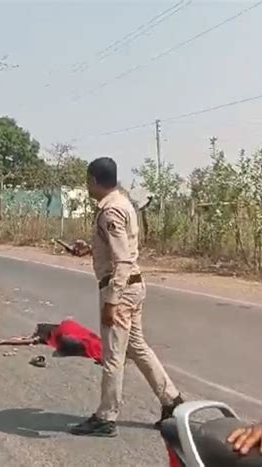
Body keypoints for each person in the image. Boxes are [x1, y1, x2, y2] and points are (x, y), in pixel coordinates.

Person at [71, 157, 183, 438]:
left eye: (88, 181)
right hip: (132, 285)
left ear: (94, 180)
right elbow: (121, 249)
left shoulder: (110, 212)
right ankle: (172, 400)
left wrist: (111, 301)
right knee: (137, 347)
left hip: (120, 289)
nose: (87, 186)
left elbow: (122, 260)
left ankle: (106, 417)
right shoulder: (122, 203)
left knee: (113, 355)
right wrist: (89, 249)